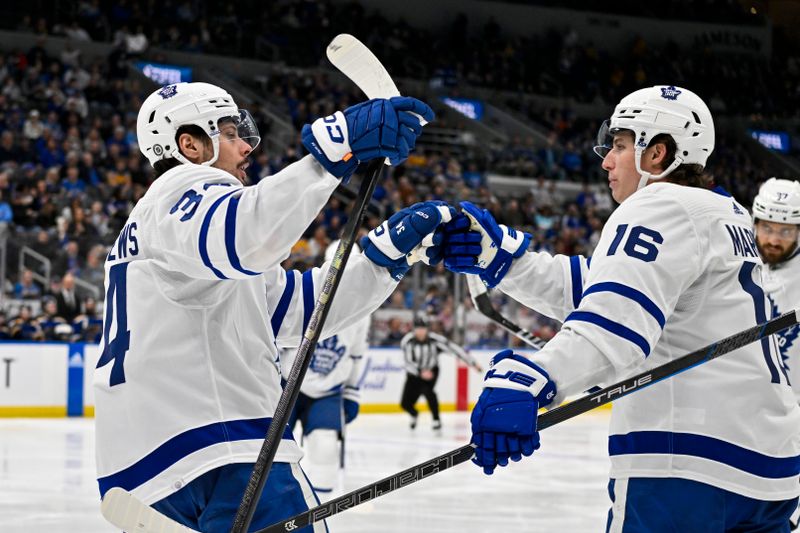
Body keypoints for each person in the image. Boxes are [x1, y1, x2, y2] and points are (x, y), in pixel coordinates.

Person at [93, 81, 452, 532]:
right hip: (225, 451)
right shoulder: (185, 187)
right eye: (228, 132)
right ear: (190, 144)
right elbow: (248, 235)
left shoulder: (164, 232)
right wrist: (334, 151)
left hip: (148, 475)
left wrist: (383, 259)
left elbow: (301, 311)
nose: (245, 146)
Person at [441, 86, 800, 531]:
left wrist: (533, 381)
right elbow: (607, 291)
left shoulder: (658, 204)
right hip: (768, 473)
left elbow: (613, 322)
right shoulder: (725, 214)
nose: (607, 160)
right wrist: (500, 258)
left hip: (684, 466)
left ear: (658, 154)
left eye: (621, 145)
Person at [282, 241, 371, 497]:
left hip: (328, 391)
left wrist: (352, 393)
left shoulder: (364, 310)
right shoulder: (305, 292)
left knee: (325, 447)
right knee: (271, 448)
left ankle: (320, 508)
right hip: (287, 386)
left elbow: (356, 354)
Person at [752, 178, 800, 531]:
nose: (773, 239)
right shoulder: (744, 270)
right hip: (753, 425)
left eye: (785, 231)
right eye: (767, 227)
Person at [400, 314, 482, 430]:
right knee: (405, 403)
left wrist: (472, 363)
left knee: (428, 391)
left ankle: (436, 419)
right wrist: (420, 372)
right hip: (414, 373)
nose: (421, 331)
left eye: (423, 328)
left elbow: (454, 349)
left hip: (431, 371)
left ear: (427, 329)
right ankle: (414, 414)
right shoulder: (407, 341)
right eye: (418, 328)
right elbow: (407, 362)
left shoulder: (435, 340)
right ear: (413, 329)